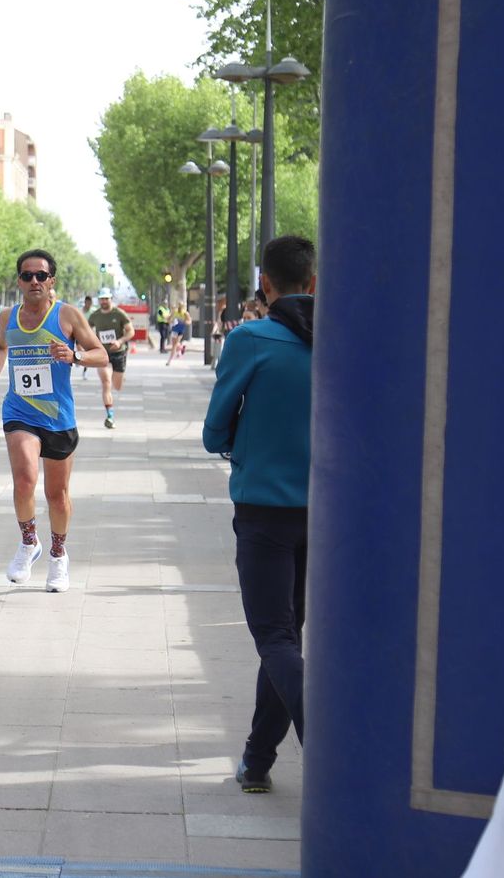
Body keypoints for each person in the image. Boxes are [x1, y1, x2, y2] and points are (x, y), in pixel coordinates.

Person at [201, 236, 316, 795]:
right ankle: (256, 760)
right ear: (313, 283)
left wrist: (238, 439)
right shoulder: (343, 339)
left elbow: (213, 430)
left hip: (265, 510)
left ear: (265, 284)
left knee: (273, 635)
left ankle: (325, 736)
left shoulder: (250, 339)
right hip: (330, 513)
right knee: (287, 635)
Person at [0, 249, 109, 594]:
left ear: (52, 280)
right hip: (19, 412)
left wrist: (75, 355)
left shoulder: (67, 315)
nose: (34, 281)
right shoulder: (8, 316)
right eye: (27, 276)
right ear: (19, 281)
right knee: (24, 481)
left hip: (58, 417)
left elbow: (102, 354)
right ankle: (28, 542)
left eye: (41, 275)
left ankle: (57, 553)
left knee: (57, 495)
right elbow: (1, 348)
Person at [85, 288, 133, 429]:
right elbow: (86, 331)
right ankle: (110, 415)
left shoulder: (119, 314)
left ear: (111, 299)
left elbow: (131, 331)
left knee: (117, 386)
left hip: (118, 352)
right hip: (103, 354)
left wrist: (120, 341)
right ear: (99, 300)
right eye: (102, 299)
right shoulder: (95, 316)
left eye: (106, 298)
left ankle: (118, 377)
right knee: (106, 382)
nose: (104, 301)